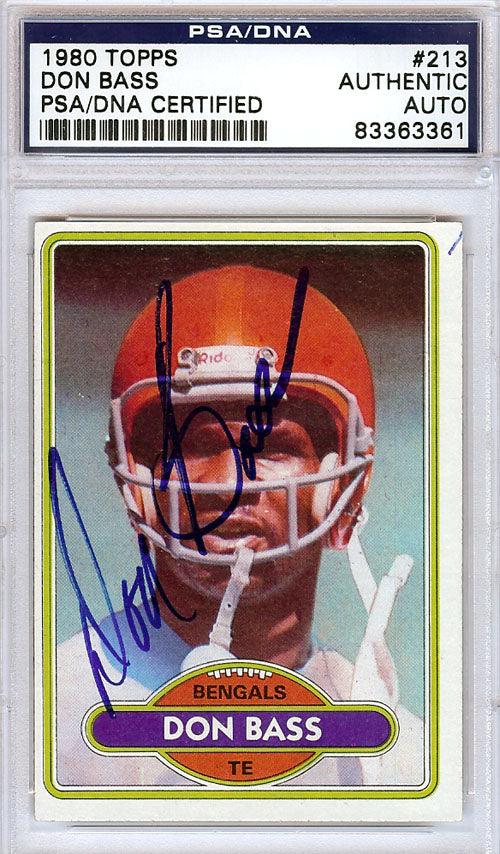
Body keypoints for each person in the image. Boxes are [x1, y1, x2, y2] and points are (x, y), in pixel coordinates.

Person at [56, 265, 422, 787]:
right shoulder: (49, 713)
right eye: (195, 444)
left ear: (343, 488)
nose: (231, 483)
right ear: (137, 482)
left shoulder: (398, 755)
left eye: (271, 447)